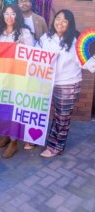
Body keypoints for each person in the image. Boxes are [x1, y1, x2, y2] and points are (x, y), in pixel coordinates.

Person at [38, 9, 92, 157]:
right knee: (55, 115)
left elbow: (86, 63)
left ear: (70, 24)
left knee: (62, 118)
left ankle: (56, 147)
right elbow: (36, 55)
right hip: (49, 82)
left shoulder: (75, 41)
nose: (60, 23)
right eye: (58, 18)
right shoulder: (46, 38)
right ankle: (50, 142)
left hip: (68, 84)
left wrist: (92, 56)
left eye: (64, 21)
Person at [0, 4, 34, 158]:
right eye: (6, 14)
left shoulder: (25, 32)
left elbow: (32, 55)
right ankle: (6, 134)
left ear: (17, 15)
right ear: (3, 16)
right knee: (3, 107)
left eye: (12, 14)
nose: (9, 17)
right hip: (1, 76)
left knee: (15, 108)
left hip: (17, 77)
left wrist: (22, 47)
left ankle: (14, 141)